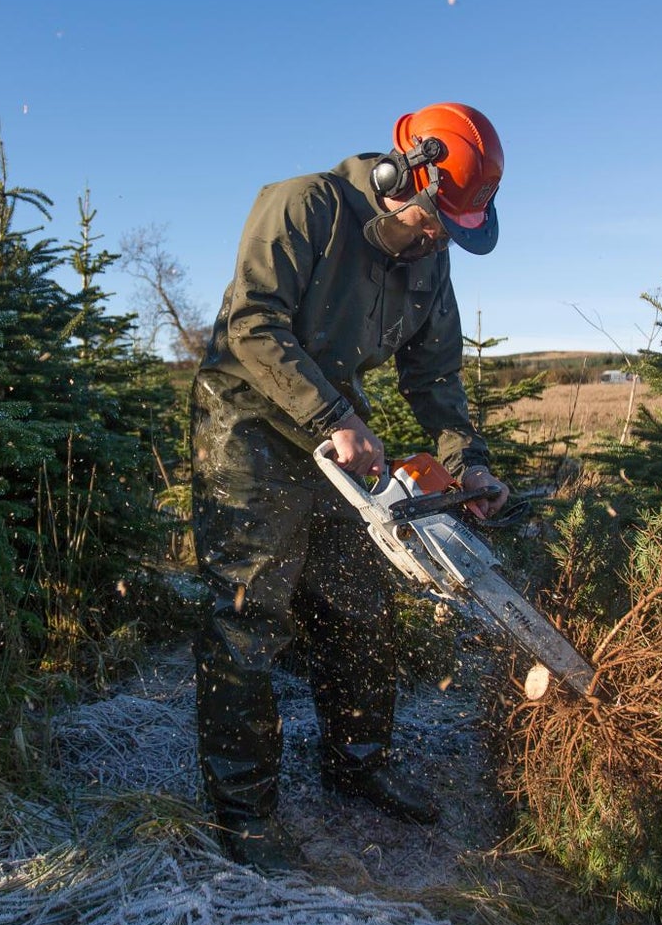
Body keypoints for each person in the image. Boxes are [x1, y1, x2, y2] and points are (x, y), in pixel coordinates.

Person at [190, 101, 511, 872]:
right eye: (437, 221)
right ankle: (246, 809)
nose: (439, 239)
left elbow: (433, 374)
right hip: (249, 422)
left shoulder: (429, 259)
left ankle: (359, 760)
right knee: (248, 613)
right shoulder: (304, 205)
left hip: (341, 432)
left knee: (361, 602)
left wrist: (466, 459)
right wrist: (332, 414)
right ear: (403, 177)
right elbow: (254, 325)